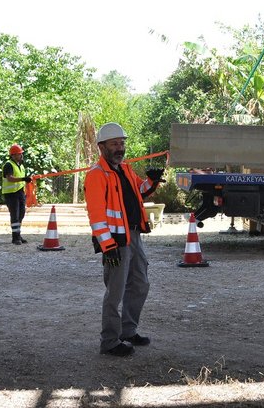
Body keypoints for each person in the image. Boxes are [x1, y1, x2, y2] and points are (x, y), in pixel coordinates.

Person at [84, 122, 163, 357]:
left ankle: (128, 331)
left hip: (133, 235)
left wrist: (153, 180)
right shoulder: (97, 175)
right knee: (115, 292)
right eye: (114, 144)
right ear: (102, 147)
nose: (120, 148)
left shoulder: (125, 170)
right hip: (115, 242)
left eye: (122, 143)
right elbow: (97, 216)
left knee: (140, 283)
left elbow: (140, 191)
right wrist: (108, 246)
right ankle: (109, 341)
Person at [2, 144, 32, 245]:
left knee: (21, 214)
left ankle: (18, 234)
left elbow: (20, 179)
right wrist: (23, 179)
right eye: (19, 154)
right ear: (13, 155)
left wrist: (26, 180)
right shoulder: (8, 165)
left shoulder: (20, 165)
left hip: (19, 192)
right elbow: (10, 178)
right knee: (15, 215)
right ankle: (15, 238)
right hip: (11, 194)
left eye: (21, 154)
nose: (21, 156)